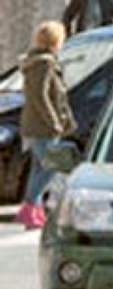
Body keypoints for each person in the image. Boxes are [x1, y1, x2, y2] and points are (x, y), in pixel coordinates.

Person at [18, 21, 75, 229]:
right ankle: (29, 207)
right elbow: (40, 96)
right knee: (52, 166)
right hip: (42, 127)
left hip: (39, 125)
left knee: (39, 168)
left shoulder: (42, 62)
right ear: (56, 40)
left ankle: (35, 210)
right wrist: (53, 121)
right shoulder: (43, 64)